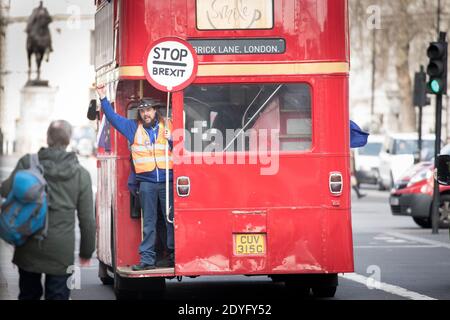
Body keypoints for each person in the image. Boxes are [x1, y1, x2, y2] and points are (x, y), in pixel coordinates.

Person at [0, 120, 96, 300]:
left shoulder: (27, 162)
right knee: (58, 296)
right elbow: (87, 219)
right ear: (68, 140)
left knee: (28, 294)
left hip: (28, 242)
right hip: (61, 251)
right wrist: (86, 252)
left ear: (47, 138)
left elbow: (5, 191)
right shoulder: (81, 173)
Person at [96, 85, 174, 271]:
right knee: (149, 222)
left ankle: (173, 256)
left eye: (149, 110)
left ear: (155, 111)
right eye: (143, 110)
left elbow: (182, 147)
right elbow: (113, 119)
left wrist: (171, 139)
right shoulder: (133, 128)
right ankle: (147, 260)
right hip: (146, 183)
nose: (146, 113)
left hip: (167, 181)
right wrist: (103, 98)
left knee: (170, 220)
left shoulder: (169, 127)